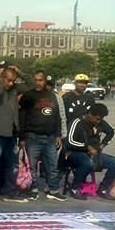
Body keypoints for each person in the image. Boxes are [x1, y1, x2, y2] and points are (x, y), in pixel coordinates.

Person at [0, 64, 27, 204]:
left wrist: (19, 72)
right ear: (2, 78)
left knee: (12, 165)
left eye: (13, 80)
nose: (11, 83)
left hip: (11, 132)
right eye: (8, 80)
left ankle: (10, 192)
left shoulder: (14, 89)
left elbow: (31, 86)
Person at [19, 70, 67, 202]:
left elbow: (57, 117)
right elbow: (22, 117)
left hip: (50, 137)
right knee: (32, 166)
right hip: (33, 137)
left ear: (45, 81)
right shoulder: (28, 96)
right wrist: (22, 138)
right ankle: (33, 189)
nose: (38, 82)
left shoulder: (52, 96)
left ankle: (53, 190)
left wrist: (58, 135)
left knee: (52, 165)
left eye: (40, 80)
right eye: (36, 80)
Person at [62, 103, 115, 201]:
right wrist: (87, 147)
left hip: (94, 154)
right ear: (90, 114)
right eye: (97, 119)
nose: (99, 121)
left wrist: (103, 144)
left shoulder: (100, 122)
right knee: (87, 163)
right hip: (74, 153)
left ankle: (103, 189)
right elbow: (70, 141)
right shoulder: (77, 122)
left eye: (100, 119)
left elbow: (112, 132)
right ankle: (75, 188)